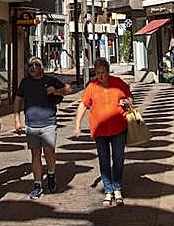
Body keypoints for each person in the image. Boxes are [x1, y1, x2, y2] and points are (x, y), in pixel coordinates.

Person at [72, 57, 133, 208]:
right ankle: (108, 190)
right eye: (98, 73)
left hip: (118, 128)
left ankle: (117, 188)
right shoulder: (92, 86)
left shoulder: (118, 83)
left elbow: (130, 98)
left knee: (118, 159)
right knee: (104, 160)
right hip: (100, 131)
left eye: (103, 72)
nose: (101, 76)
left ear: (108, 71)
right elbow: (83, 105)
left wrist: (127, 102)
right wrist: (77, 124)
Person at [14, 56, 71, 199]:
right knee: (35, 154)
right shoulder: (25, 83)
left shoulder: (50, 80)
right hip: (31, 124)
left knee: (49, 152)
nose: (32, 67)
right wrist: (17, 119)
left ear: (42, 68)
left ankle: (51, 174)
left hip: (48, 123)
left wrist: (56, 91)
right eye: (30, 65)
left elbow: (68, 89)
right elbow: (18, 99)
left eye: (36, 64)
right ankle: (37, 184)